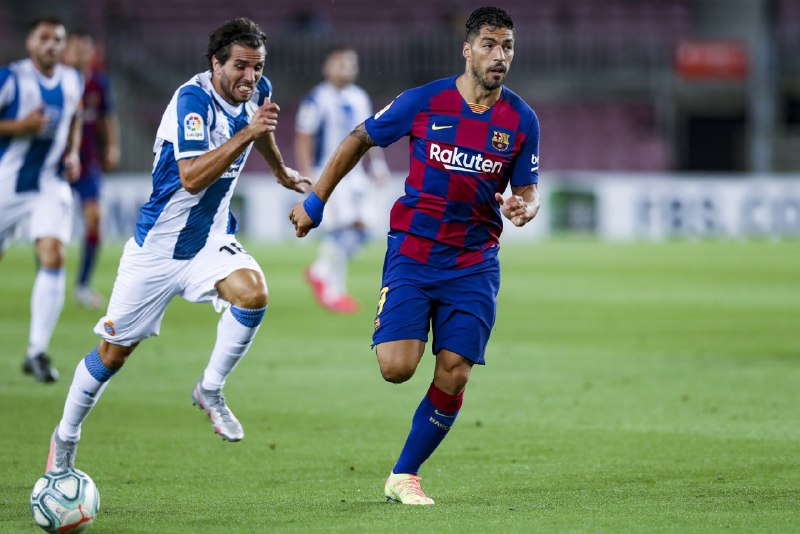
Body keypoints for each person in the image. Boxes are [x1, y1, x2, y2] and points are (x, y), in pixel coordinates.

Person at [289, 6, 540, 504]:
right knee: (397, 367)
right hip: (414, 252)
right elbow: (360, 138)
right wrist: (316, 199)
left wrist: (524, 207)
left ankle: (405, 474)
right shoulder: (425, 101)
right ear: (467, 50)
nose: (500, 56)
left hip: (474, 262)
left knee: (456, 368)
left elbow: (529, 191)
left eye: (507, 46)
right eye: (489, 44)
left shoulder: (521, 118)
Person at [46, 17, 310, 471]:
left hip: (209, 240)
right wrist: (248, 133)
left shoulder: (258, 90)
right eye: (241, 66)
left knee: (253, 295)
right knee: (112, 355)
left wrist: (281, 171)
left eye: (257, 66)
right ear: (216, 63)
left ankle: (209, 388)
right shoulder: (192, 100)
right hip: (158, 250)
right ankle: (65, 437)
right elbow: (189, 178)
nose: (250, 76)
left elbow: (259, 126)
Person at [0, 17, 84, 384]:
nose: (52, 45)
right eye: (45, 38)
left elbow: (77, 115)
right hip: (7, 185)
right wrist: (20, 127)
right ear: (30, 42)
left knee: (54, 252)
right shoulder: (11, 78)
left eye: (58, 39)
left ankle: (36, 350)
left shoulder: (71, 79)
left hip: (50, 183)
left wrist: (74, 152)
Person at [295, 47, 390, 313]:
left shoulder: (359, 97)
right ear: (327, 68)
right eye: (340, 64)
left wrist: (379, 165)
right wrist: (307, 175)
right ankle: (334, 293)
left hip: (356, 174)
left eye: (350, 64)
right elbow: (304, 137)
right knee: (340, 231)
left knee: (365, 228)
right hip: (328, 172)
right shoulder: (316, 99)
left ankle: (319, 271)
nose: (345, 69)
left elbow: (372, 134)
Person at [62, 30, 121, 309]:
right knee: (51, 226)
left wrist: (111, 146)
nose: (79, 53)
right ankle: (47, 278)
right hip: (57, 165)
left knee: (94, 217)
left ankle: (83, 285)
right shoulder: (57, 80)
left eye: (85, 48)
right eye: (75, 48)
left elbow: (108, 117)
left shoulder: (99, 83)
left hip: (88, 163)